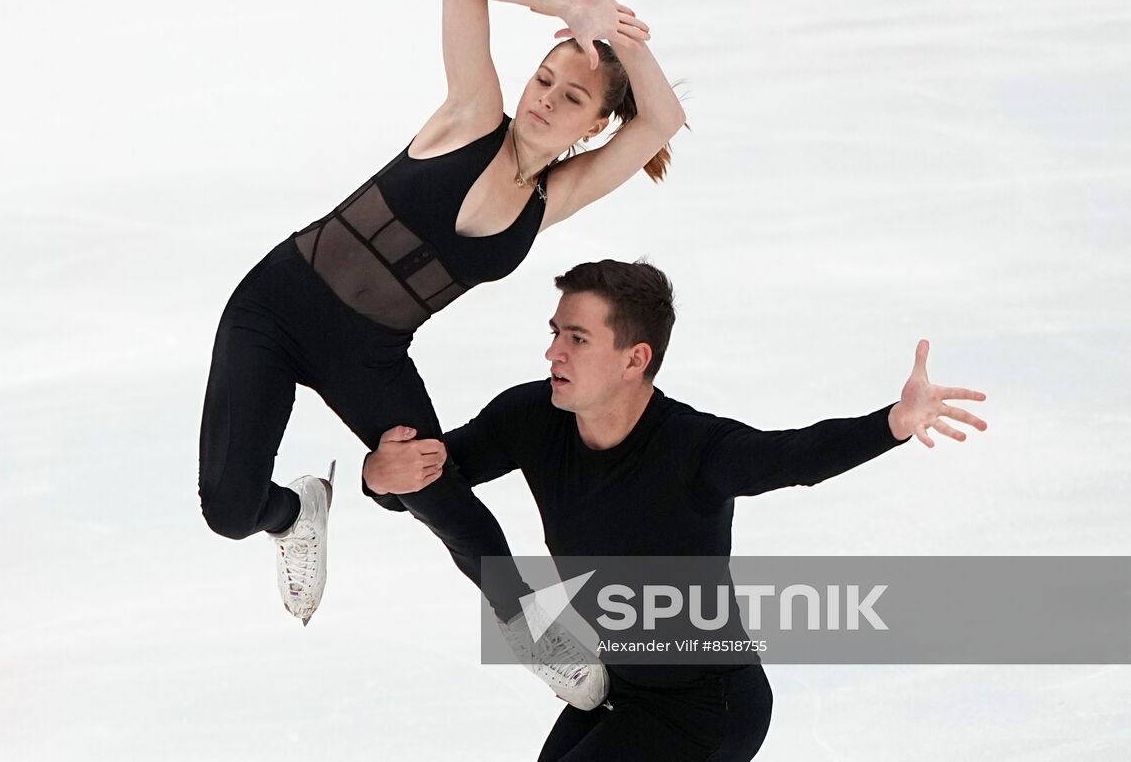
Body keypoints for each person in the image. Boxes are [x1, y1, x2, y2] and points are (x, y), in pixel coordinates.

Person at [196, 0, 687, 678]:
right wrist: (567, 9)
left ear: (592, 127)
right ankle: (296, 513)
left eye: (573, 99)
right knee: (231, 512)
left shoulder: (552, 199)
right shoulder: (469, 115)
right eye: (544, 78)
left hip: (368, 355)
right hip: (273, 309)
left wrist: (621, 33)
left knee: (440, 490)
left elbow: (662, 119)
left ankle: (538, 638)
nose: (546, 98)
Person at [362, 259, 987, 761]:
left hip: (706, 707)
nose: (553, 353)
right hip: (613, 687)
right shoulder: (532, 417)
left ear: (636, 359)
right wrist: (377, 478)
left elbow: (795, 457)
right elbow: (436, 477)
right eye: (554, 333)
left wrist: (892, 424)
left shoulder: (694, 448)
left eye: (577, 339)